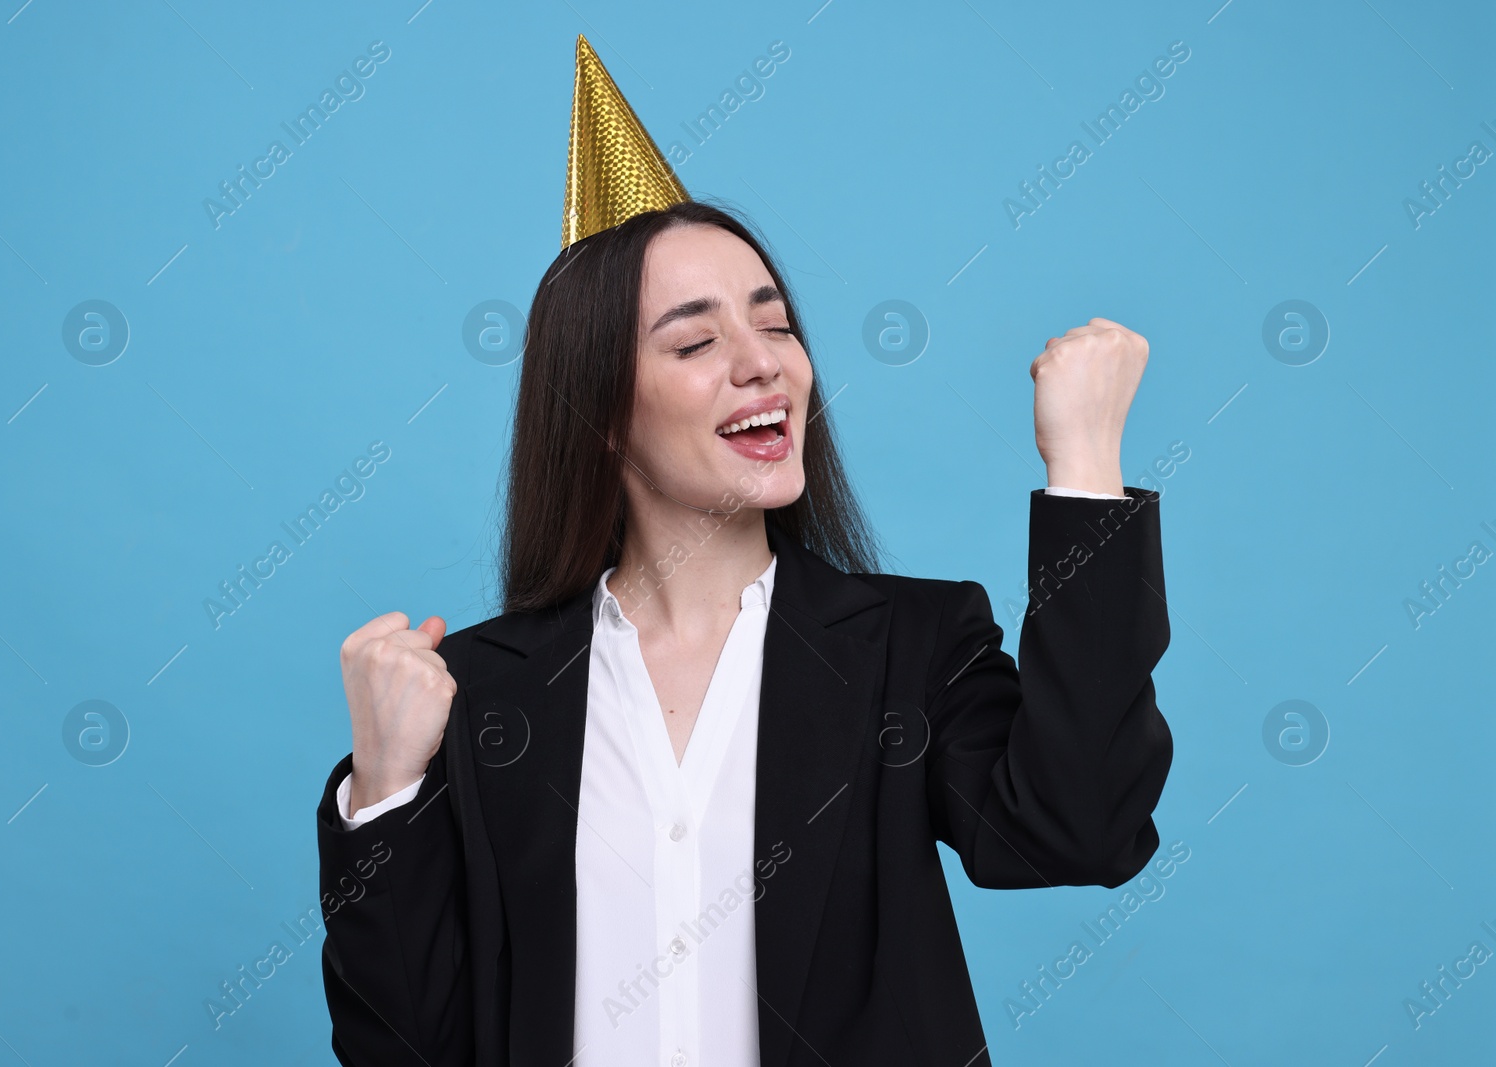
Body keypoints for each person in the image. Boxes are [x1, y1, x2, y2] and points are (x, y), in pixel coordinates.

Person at [315, 35, 1171, 1067]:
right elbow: (402, 1047)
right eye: (694, 342)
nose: (761, 363)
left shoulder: (911, 646)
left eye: (773, 323)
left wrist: (1083, 468)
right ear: (597, 416)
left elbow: (1078, 830)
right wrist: (384, 791)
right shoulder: (483, 696)